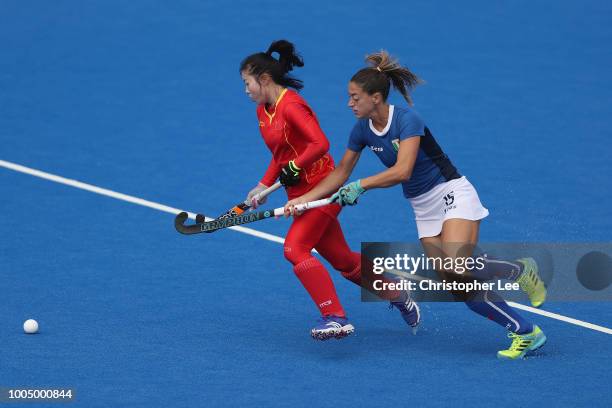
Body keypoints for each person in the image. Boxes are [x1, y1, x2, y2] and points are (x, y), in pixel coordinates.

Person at [285, 50, 547, 359]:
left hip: (451, 192)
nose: (349, 103)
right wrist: (305, 200)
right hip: (422, 206)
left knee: (457, 262)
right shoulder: (361, 130)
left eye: (355, 97)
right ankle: (525, 332)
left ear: (376, 97)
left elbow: (403, 170)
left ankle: (518, 269)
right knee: (457, 284)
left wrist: (362, 186)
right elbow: (341, 172)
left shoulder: (408, 120)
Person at [240, 41, 420, 340]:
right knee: (343, 261)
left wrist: (297, 170)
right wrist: (264, 185)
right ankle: (397, 294)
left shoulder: (292, 105)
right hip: (297, 191)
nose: (245, 89)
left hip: (322, 188)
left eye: (247, 82)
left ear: (264, 79)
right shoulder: (263, 110)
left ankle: (334, 316)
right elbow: (280, 151)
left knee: (294, 249)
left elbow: (320, 144)